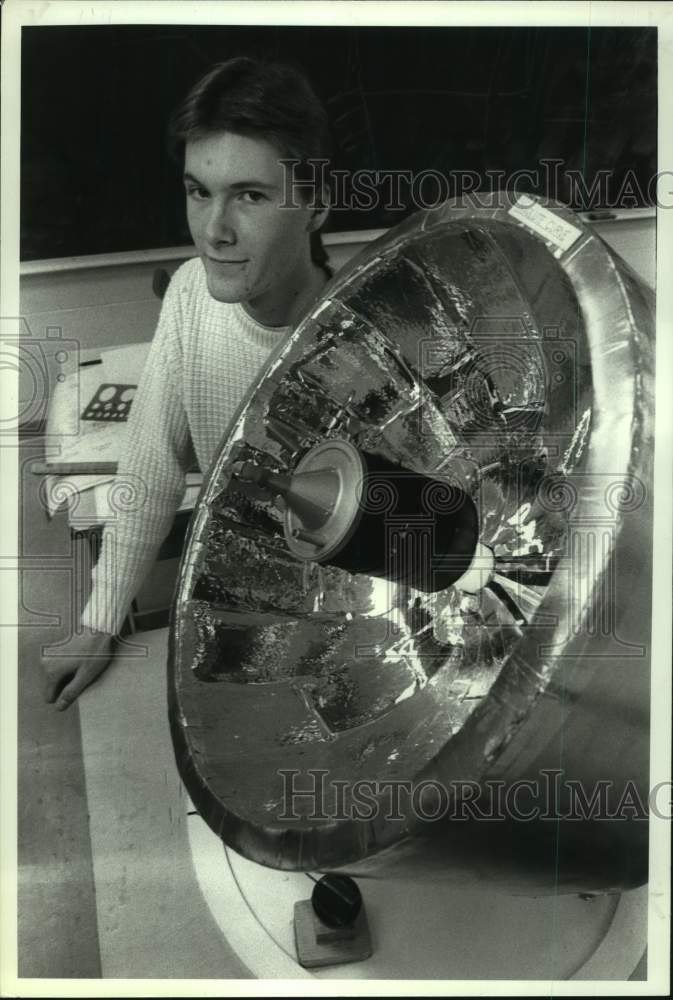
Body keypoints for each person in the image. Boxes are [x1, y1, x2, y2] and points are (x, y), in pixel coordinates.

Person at [41, 56, 332, 710]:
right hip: (233, 611)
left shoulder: (360, 339)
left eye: (249, 196)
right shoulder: (188, 295)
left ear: (315, 205)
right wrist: (99, 620)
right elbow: (151, 460)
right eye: (199, 191)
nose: (212, 231)